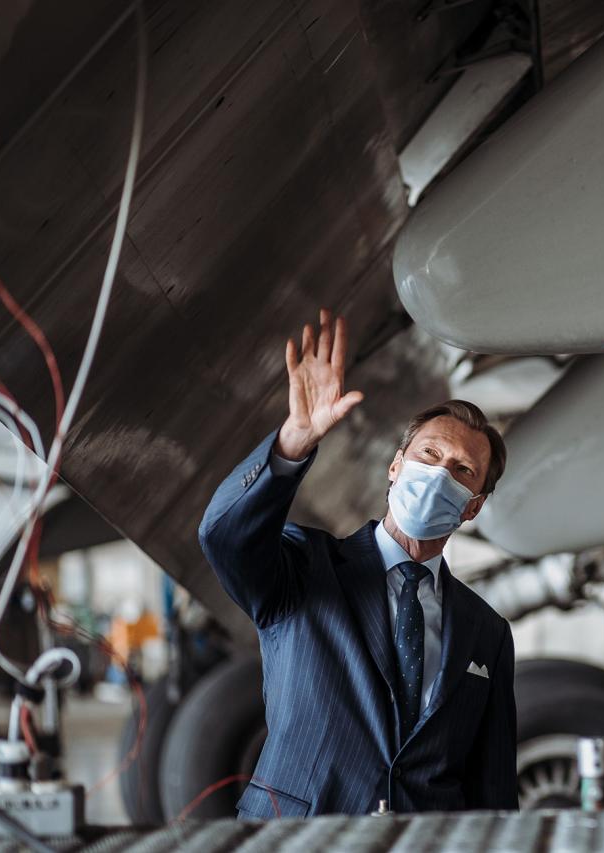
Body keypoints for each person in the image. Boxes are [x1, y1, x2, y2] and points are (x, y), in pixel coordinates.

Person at [198, 309, 517, 818]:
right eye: (428, 455)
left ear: (473, 506)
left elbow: (492, 788)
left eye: (461, 470)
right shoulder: (305, 569)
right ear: (396, 467)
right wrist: (293, 443)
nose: (439, 475)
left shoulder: (487, 631)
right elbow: (223, 536)